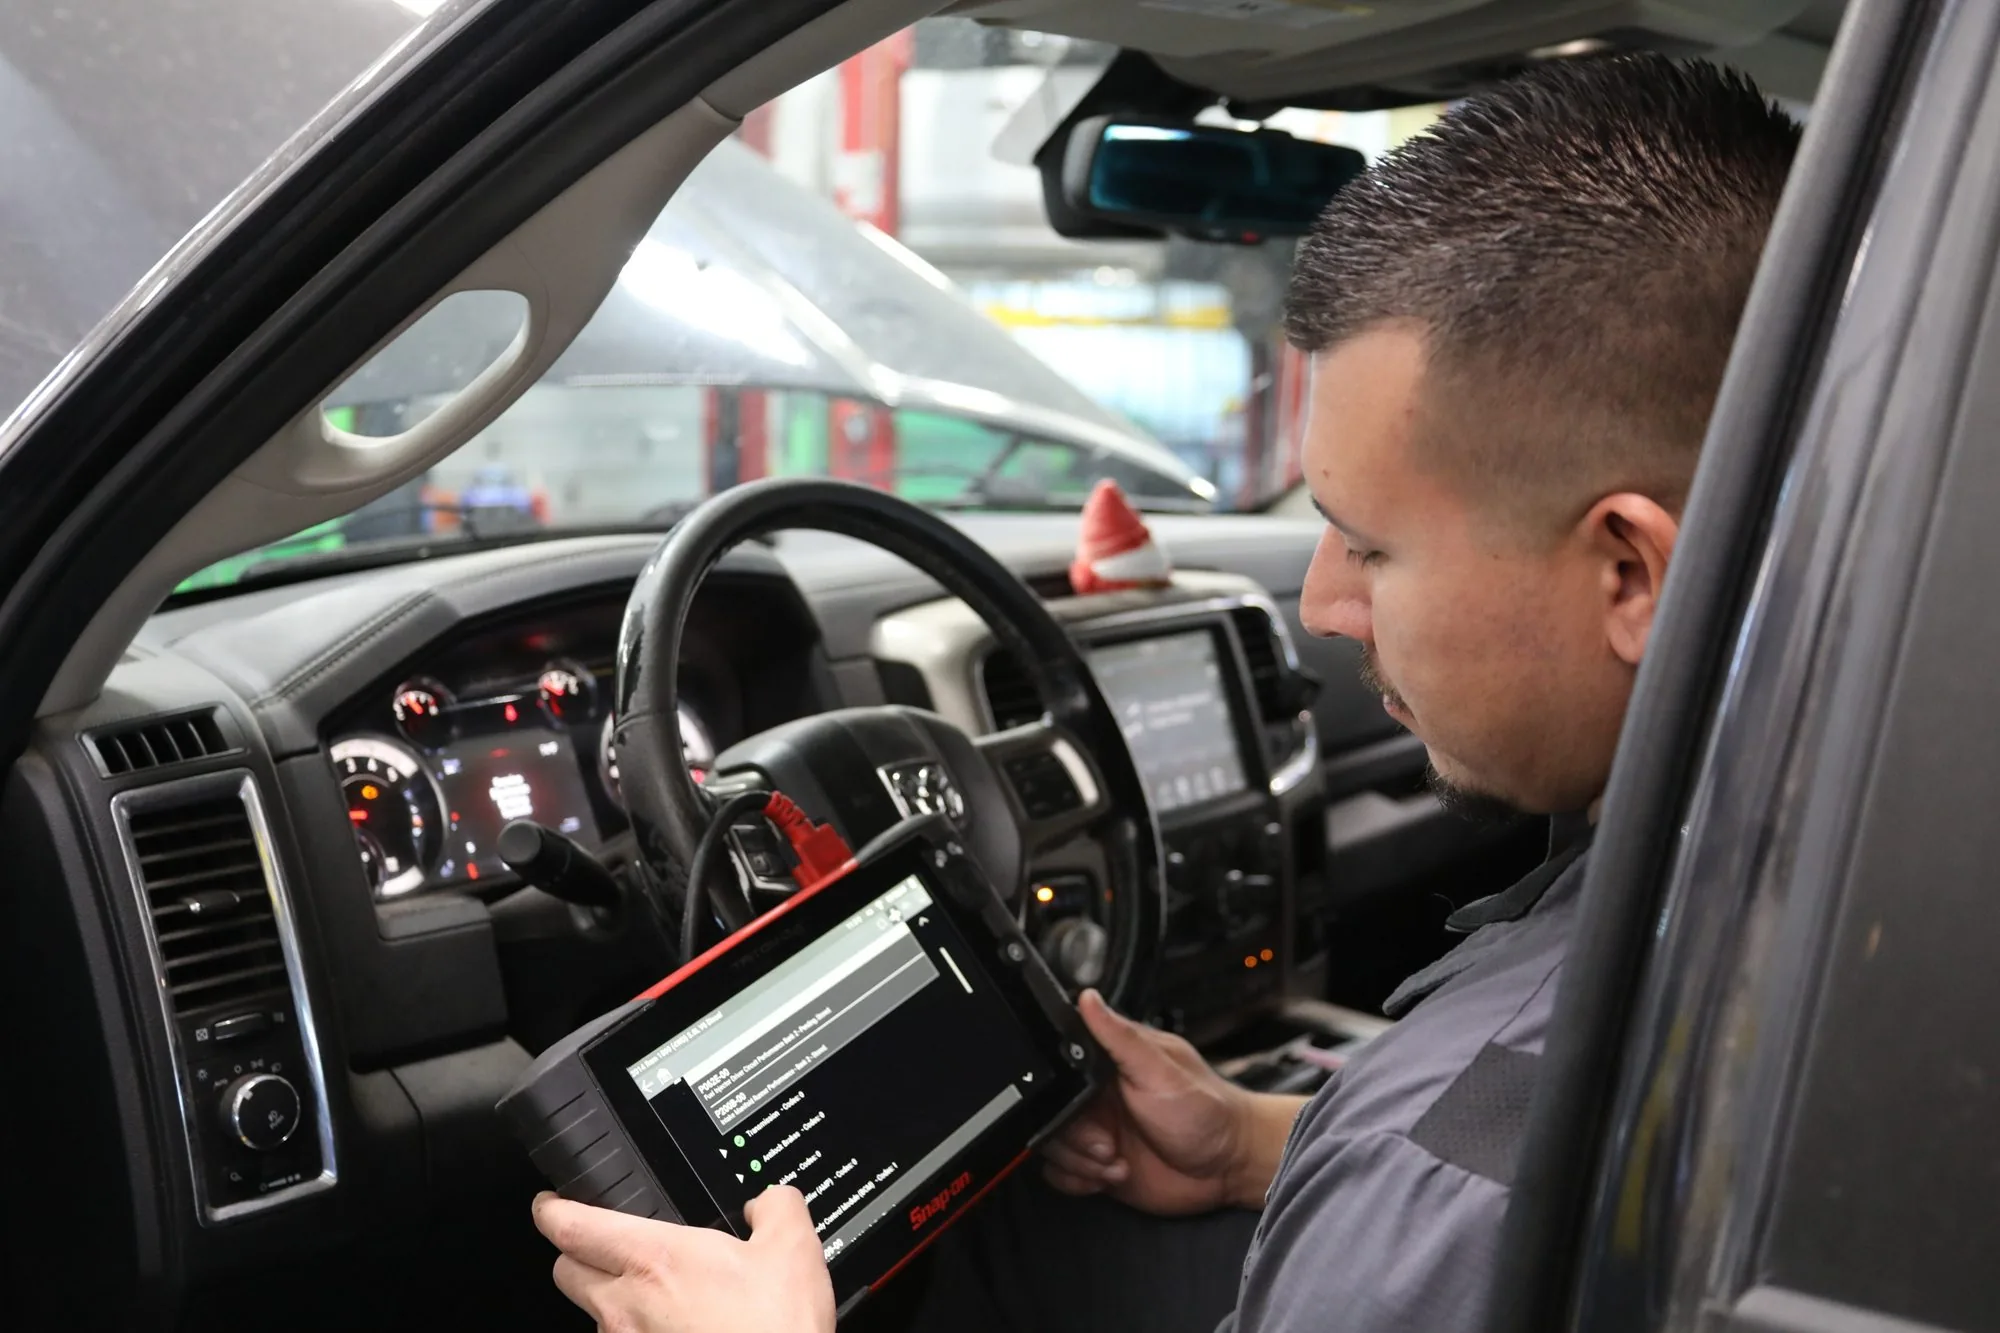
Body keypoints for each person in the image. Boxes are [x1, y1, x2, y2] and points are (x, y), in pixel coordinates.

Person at [529, 52, 1802, 1333]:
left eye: (1367, 542)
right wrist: (1264, 1143)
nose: (1319, 605)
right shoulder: (1824, 807)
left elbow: (1453, 1192)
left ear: (1628, 571)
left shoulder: (1438, 1183)